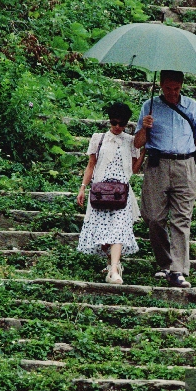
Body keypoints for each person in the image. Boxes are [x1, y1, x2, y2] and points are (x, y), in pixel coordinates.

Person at [133, 70, 196, 290]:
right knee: (153, 218)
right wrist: (145, 128)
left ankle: (178, 270)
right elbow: (137, 143)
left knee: (181, 219)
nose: (172, 93)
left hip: (185, 165)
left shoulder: (193, 107)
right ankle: (165, 262)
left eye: (176, 89)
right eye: (168, 88)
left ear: (181, 86)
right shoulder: (149, 107)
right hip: (157, 164)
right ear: (161, 86)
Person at [76, 102, 141, 285]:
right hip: (100, 191)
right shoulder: (99, 138)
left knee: (119, 229)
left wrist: (144, 152)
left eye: (122, 124)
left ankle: (113, 271)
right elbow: (91, 165)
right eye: (114, 123)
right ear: (109, 121)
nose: (118, 127)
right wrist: (82, 187)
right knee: (103, 232)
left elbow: (135, 169)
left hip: (120, 192)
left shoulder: (130, 141)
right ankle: (113, 265)